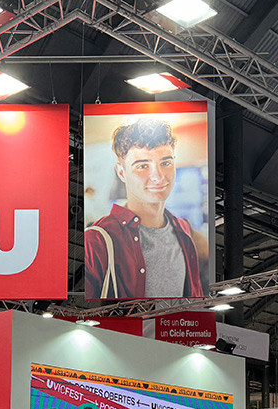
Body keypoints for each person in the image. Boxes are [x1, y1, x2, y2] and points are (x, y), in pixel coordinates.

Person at [83, 117, 206, 299]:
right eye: (142, 166)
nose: (158, 176)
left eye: (165, 163)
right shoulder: (96, 240)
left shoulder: (184, 231)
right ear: (122, 172)